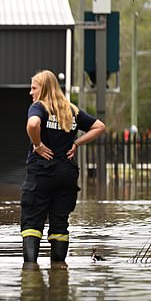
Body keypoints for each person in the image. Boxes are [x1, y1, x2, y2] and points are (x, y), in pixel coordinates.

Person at [21, 70, 105, 262]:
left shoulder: (39, 107)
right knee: (60, 224)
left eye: (34, 88)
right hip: (66, 174)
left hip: (41, 173)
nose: (30, 92)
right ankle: (59, 273)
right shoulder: (71, 110)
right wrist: (77, 143)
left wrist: (38, 145)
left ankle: (31, 273)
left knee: (32, 222)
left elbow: (33, 125)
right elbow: (100, 126)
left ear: (44, 88)